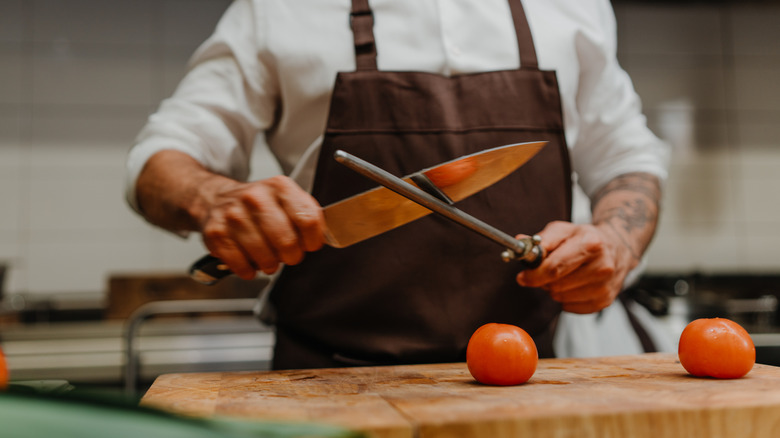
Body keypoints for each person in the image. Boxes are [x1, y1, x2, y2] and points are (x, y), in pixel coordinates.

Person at [126, 0, 672, 369]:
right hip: (326, 384)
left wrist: (618, 243)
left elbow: (627, 156)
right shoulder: (275, 9)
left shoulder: (570, 7)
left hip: (526, 374)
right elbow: (161, 157)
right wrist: (210, 197)